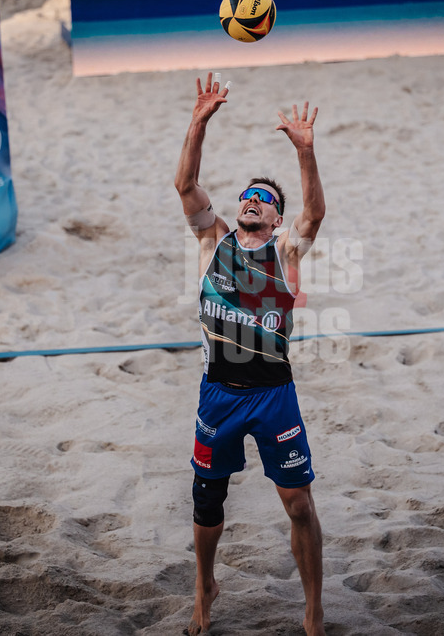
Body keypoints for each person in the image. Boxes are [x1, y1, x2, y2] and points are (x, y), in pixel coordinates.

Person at [174, 72, 326, 636]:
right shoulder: (213, 240)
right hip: (218, 393)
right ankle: (204, 588)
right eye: (249, 195)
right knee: (207, 505)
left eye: (266, 199)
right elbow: (185, 186)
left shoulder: (286, 251)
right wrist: (199, 120)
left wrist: (305, 154)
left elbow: (314, 214)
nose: (255, 201)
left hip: (273, 394)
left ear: (276, 218)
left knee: (299, 504)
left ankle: (312, 611)